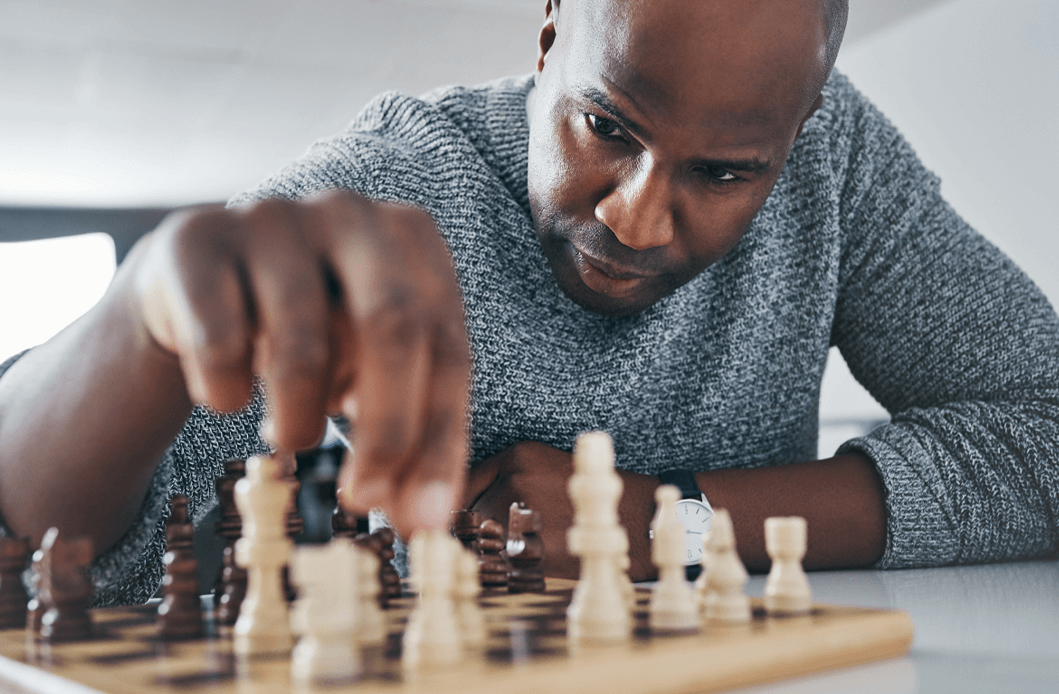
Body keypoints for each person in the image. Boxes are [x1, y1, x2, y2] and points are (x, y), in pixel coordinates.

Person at [1, 0, 1057, 605]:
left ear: (806, 119)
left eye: (726, 174)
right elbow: (59, 548)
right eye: (607, 125)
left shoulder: (837, 162)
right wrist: (139, 317)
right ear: (550, 31)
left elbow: (1046, 433)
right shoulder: (377, 198)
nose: (639, 222)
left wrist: (663, 522)